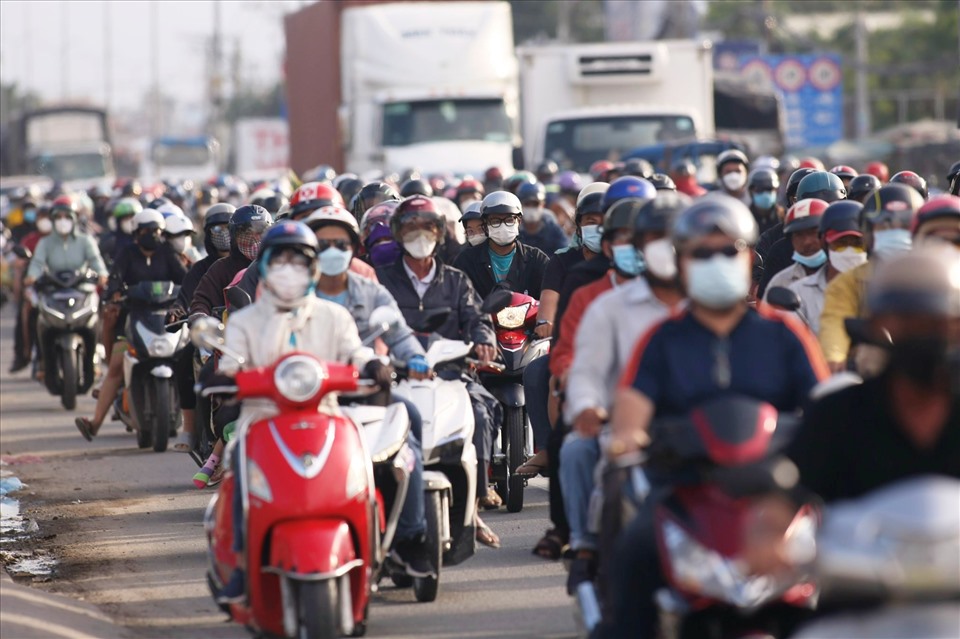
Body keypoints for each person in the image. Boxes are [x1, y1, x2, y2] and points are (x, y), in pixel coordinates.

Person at [601, 194, 828, 638]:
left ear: (749, 258)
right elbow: (631, 412)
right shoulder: (662, 339)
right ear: (680, 263)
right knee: (633, 551)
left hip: (780, 494)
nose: (715, 261)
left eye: (728, 251)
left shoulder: (783, 334)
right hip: (687, 492)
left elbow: (825, 410)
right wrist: (625, 438)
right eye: (701, 254)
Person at [212, 221, 433, 604]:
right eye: (278, 259)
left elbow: (356, 351)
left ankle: (392, 542)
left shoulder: (335, 317)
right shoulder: (246, 320)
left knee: (380, 459)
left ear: (312, 267)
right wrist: (221, 378)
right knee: (236, 467)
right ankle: (242, 565)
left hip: (330, 416)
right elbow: (230, 367)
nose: (288, 267)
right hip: (262, 420)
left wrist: (371, 365)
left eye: (298, 259)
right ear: (262, 266)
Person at [558, 194, 687, 595]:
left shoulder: (711, 306)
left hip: (698, 431)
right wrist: (587, 407)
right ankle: (586, 547)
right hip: (624, 433)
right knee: (577, 451)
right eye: (653, 238)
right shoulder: (606, 307)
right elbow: (584, 371)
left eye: (673, 238)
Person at [373, 195, 503, 546]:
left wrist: (482, 340)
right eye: (411, 227)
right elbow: (371, 326)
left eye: (427, 227)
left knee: (483, 408)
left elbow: (477, 318)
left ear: (439, 232)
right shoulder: (380, 282)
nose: (420, 234)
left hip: (450, 374)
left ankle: (474, 503)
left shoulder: (457, 281)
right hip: (397, 375)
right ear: (398, 234)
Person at [788, 246, 960, 504]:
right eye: (908, 324)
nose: (924, 336)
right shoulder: (836, 416)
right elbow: (784, 505)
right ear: (877, 326)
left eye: (938, 324)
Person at [74, 209, 187, 441]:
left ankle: (197, 428)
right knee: (116, 364)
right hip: (134, 317)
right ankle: (94, 424)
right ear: (137, 233)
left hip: (167, 319)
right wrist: (114, 293)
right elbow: (115, 279)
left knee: (188, 359)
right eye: (147, 231)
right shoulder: (127, 253)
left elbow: (185, 279)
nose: (152, 235)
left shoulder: (167, 252)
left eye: (156, 231)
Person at [818, 183, 924, 372]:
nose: (895, 232)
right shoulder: (848, 283)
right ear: (868, 233)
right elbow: (835, 324)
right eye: (885, 225)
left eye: (904, 226)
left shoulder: (940, 278)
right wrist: (834, 359)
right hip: (869, 373)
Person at [168, 203, 236, 453]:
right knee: (185, 359)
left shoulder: (254, 266)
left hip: (245, 340)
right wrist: (180, 311)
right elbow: (190, 298)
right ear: (206, 233)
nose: (224, 234)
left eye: (230, 228)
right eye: (217, 229)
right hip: (213, 339)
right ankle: (190, 429)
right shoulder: (202, 268)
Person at [22, 197, 109, 375]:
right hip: (53, 290)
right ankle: (41, 360)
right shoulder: (45, 243)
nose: (63, 221)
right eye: (58, 217)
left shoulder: (85, 241)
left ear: (74, 219)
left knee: (98, 313)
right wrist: (32, 276)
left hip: (81, 289)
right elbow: (37, 263)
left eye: (67, 216)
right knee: (38, 316)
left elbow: (95, 260)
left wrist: (102, 274)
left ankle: (94, 357)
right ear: (53, 219)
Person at [756, 171, 846, 298]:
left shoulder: (852, 244)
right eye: (799, 235)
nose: (807, 241)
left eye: (830, 207)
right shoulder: (780, 251)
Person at [452, 191, 549, 301]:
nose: (503, 226)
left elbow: (550, 300)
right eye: (495, 221)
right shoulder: (467, 261)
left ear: (519, 221)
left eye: (509, 220)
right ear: (485, 224)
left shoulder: (537, 259)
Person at [788, 200, 866, 335]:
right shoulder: (799, 293)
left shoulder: (882, 291)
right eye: (840, 243)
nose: (849, 251)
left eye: (856, 244)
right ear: (825, 244)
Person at [189, 205, 272, 319]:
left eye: (261, 233)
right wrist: (199, 314)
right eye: (246, 234)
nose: (255, 239)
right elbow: (203, 299)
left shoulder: (277, 265)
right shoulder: (221, 268)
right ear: (234, 237)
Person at [762, 199, 829, 296]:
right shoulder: (779, 284)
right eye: (799, 235)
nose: (807, 242)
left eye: (813, 233)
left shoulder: (847, 275)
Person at [517, 181, 568, 255]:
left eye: (535, 204)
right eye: (527, 204)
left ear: (543, 205)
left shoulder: (553, 230)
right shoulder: (514, 232)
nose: (531, 208)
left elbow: (564, 254)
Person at [99, 197, 142, 266]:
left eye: (132, 217)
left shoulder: (142, 239)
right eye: (126, 218)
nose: (129, 221)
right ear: (119, 221)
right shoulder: (111, 240)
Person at [747, 167, 783, 234]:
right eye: (759, 189)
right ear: (751, 192)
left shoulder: (784, 217)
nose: (765, 193)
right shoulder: (744, 218)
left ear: (776, 191)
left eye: (769, 189)